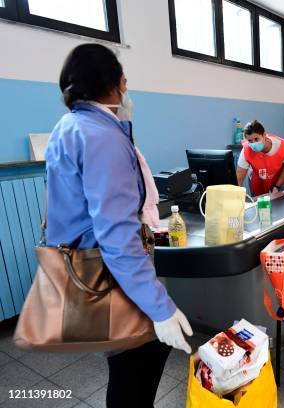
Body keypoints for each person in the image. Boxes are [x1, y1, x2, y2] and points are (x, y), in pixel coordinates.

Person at [45, 44, 193, 407]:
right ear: (111, 85)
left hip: (81, 264)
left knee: (136, 361)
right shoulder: (102, 137)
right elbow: (116, 234)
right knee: (136, 364)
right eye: (124, 82)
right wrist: (161, 308)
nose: (127, 91)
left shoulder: (70, 126)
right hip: (107, 270)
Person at [236, 120, 284, 196]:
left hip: (278, 180)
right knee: (259, 205)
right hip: (257, 180)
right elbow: (239, 179)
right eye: (250, 141)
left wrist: (277, 187)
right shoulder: (246, 150)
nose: (253, 144)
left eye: (256, 139)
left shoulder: (282, 146)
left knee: (281, 204)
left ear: (264, 135)